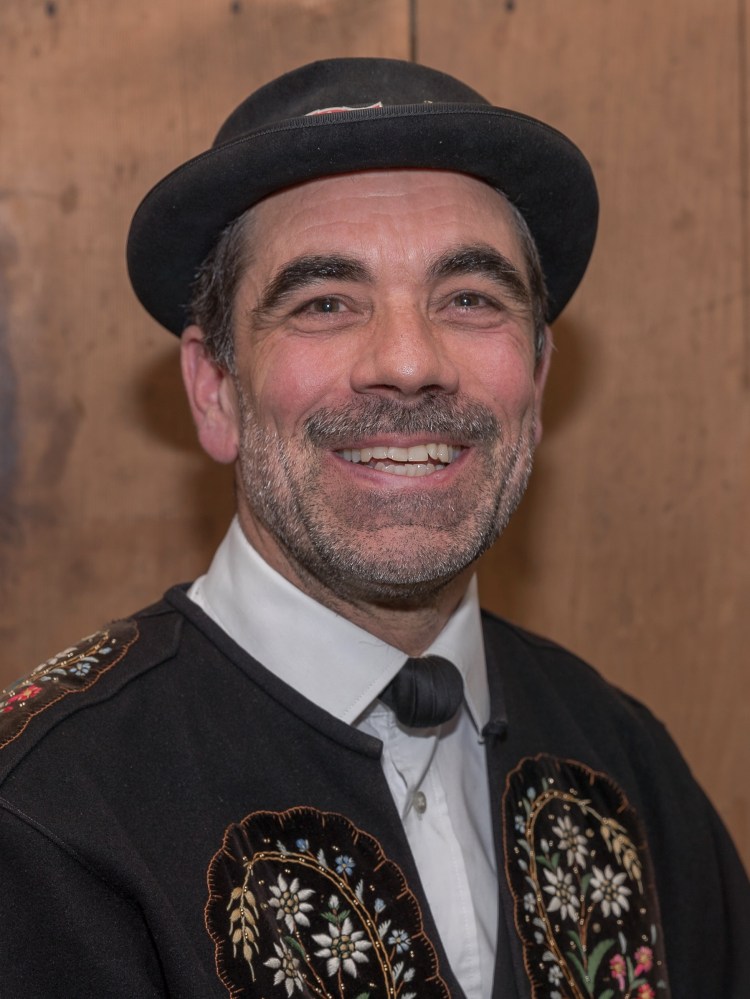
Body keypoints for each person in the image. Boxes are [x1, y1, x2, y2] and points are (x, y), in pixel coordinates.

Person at [0, 57, 747, 999]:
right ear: (216, 390)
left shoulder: (633, 770)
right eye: (325, 303)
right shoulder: (43, 817)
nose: (408, 360)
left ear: (537, 381)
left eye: (469, 298)